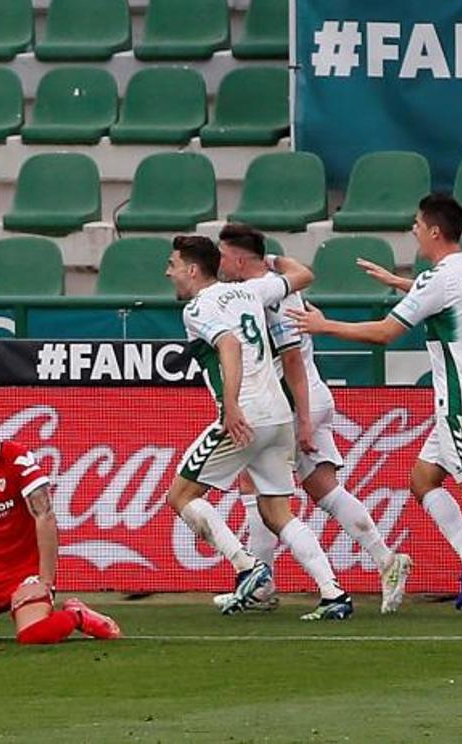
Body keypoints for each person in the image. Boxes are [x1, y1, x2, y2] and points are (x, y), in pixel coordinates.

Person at [288, 194, 462, 611]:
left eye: (417, 224)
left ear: (435, 230)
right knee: (422, 480)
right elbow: (448, 299)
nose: (413, 230)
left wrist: (323, 325)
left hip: (461, 399)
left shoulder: (436, 280)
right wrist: (403, 284)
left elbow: (385, 332)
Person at [212, 223, 412, 615]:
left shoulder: (274, 298)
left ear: (238, 259)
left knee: (257, 488)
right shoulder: (279, 284)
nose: (219, 263)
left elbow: (291, 360)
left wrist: (303, 420)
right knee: (323, 491)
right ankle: (385, 561)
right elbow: (294, 271)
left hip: (295, 402)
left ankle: (261, 582)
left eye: (222, 255)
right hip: (302, 400)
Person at [165, 235, 353, 621]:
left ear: (192, 269)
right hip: (279, 414)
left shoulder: (198, 308)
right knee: (277, 512)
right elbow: (303, 274)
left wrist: (230, 406)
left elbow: (229, 345)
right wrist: (270, 258)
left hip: (244, 415)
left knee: (181, 496)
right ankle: (333, 592)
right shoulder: (252, 290)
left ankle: (246, 567)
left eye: (173, 265)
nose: (169, 273)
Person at [0, 412, 121, 644]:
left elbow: (45, 514)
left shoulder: (17, 459)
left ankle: (76, 615)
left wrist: (44, 582)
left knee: (34, 636)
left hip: (23, 572)